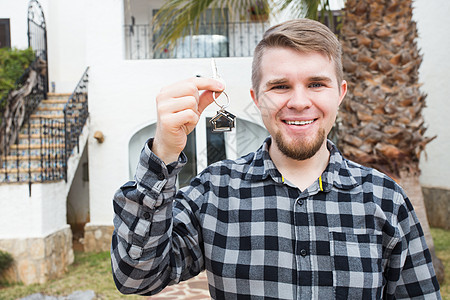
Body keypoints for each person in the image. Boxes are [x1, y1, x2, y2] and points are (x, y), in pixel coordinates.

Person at [111, 19, 441, 299]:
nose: (299, 102)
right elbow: (136, 277)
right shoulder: (215, 191)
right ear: (256, 98)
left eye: (316, 83)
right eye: (281, 86)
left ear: (340, 93)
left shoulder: (386, 199)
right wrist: (164, 152)